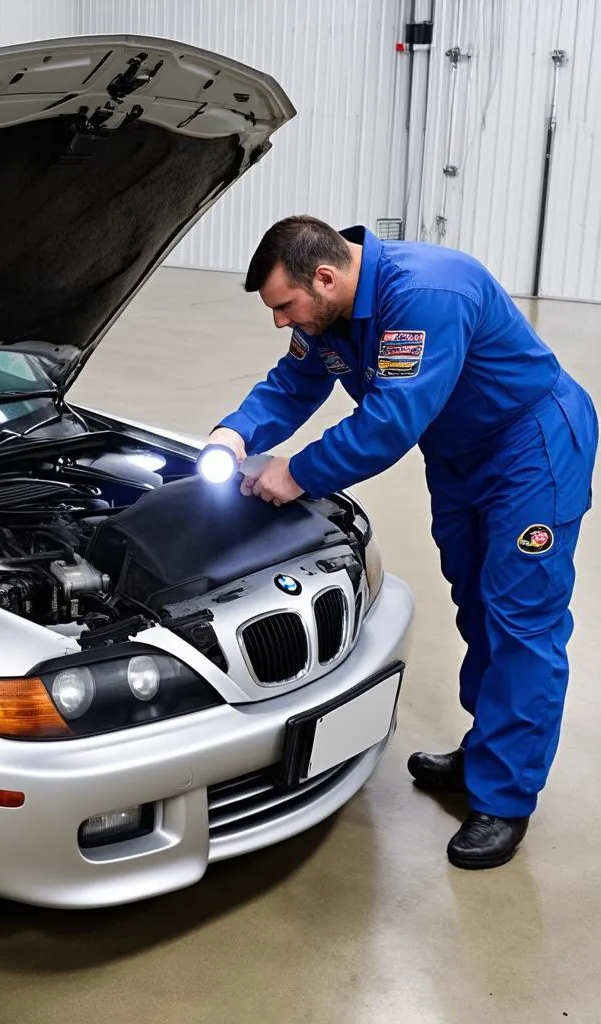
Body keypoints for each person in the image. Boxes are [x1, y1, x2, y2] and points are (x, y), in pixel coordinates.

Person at [209, 216, 597, 869]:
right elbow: (295, 382)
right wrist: (236, 434)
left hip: (531, 449)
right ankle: (487, 754)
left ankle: (504, 799)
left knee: (521, 622)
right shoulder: (327, 316)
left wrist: (296, 473)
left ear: (326, 277)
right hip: (458, 456)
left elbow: (390, 422)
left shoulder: (427, 295)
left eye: (284, 306)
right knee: (478, 607)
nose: (281, 321)